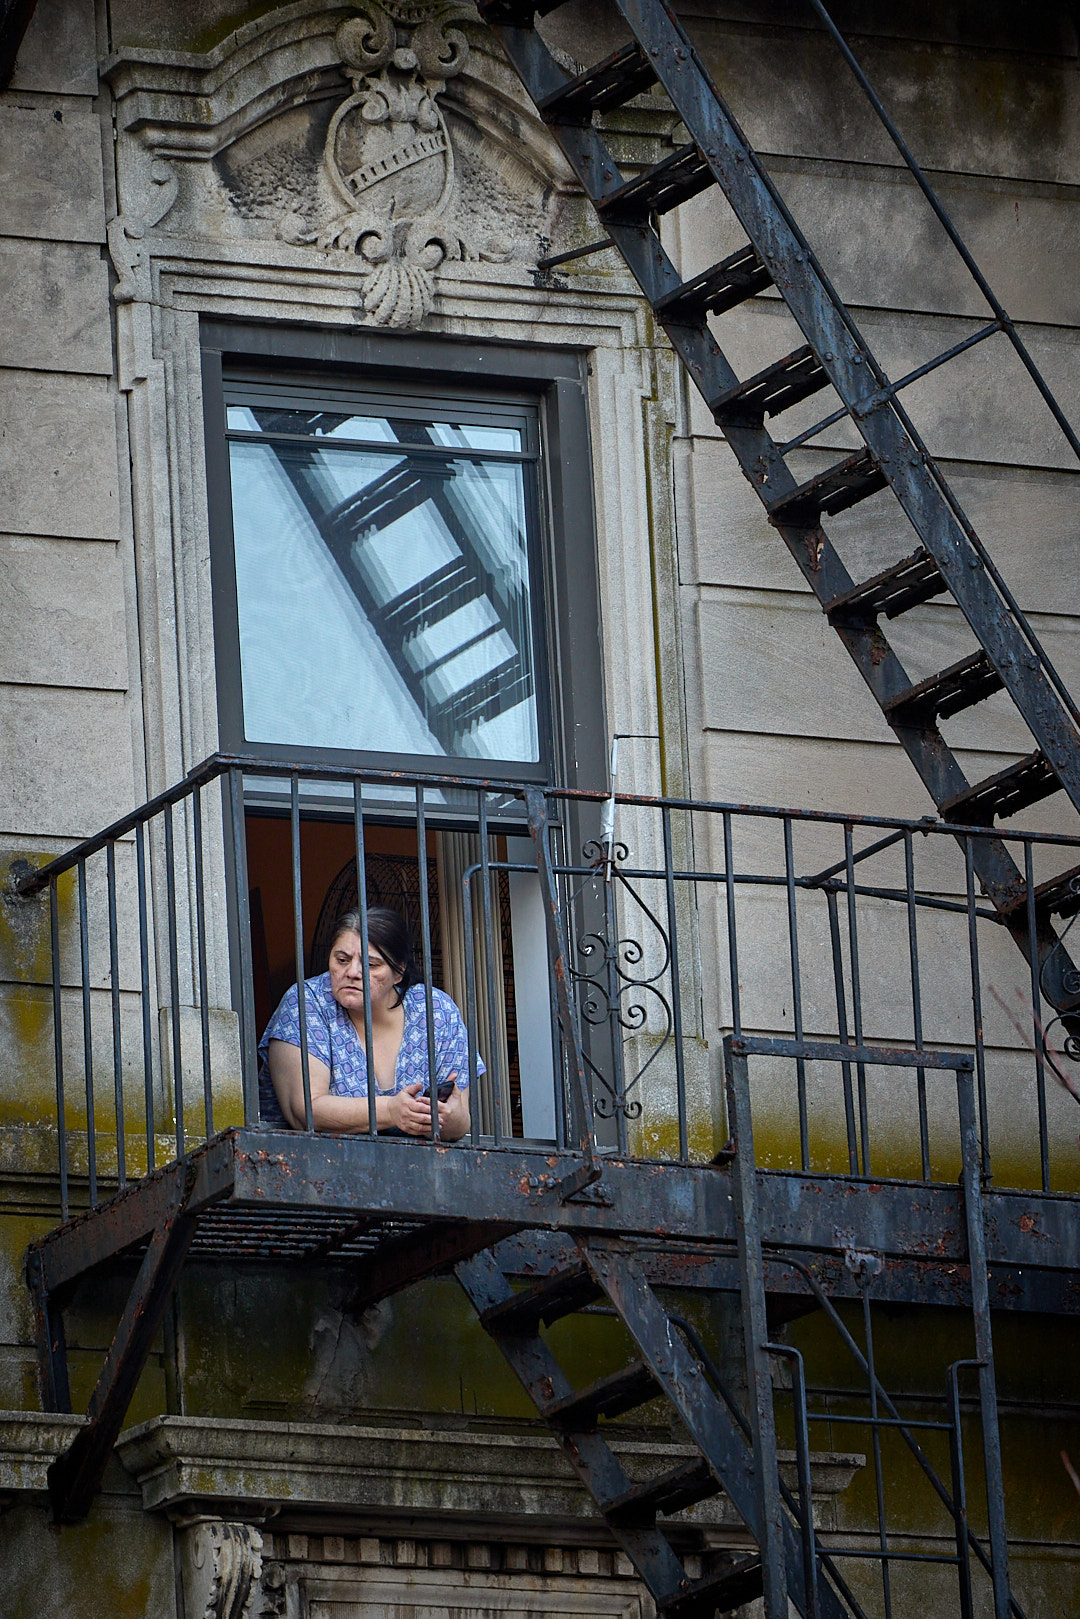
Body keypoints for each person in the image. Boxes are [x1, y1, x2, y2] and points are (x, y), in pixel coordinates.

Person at [258, 906, 478, 1140]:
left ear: (399, 972)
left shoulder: (436, 1010)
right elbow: (304, 1112)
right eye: (342, 960)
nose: (352, 972)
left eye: (371, 964)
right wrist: (390, 1111)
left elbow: (461, 1121)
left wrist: (447, 1118)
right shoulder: (306, 1002)